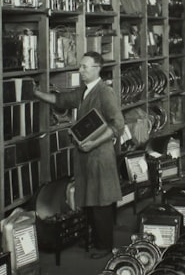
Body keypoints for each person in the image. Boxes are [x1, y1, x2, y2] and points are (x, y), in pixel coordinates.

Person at [33, 52, 125, 258]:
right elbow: (61, 100)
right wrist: (37, 94)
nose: (81, 70)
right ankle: (98, 240)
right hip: (87, 156)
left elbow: (118, 124)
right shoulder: (84, 91)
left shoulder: (104, 92)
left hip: (100, 156)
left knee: (101, 202)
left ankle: (105, 246)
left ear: (97, 68)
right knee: (92, 200)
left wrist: (94, 142)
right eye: (80, 67)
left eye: (85, 67)